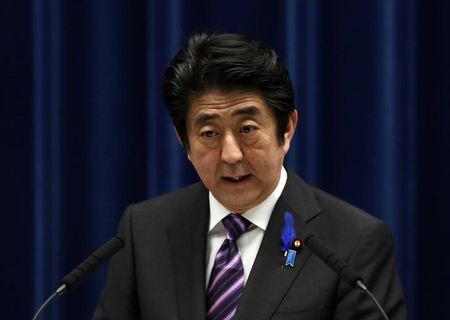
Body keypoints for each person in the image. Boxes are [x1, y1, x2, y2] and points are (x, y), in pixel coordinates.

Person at [92, 32, 406, 320]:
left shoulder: (353, 243)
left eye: (247, 130)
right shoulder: (145, 230)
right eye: (209, 133)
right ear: (183, 141)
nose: (231, 154)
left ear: (287, 129)